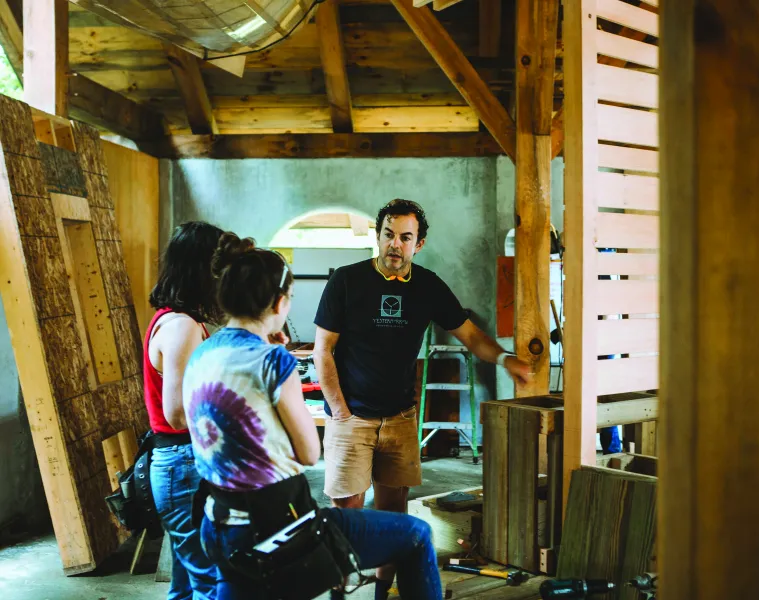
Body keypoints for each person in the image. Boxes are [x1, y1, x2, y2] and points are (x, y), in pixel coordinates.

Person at [182, 232, 442, 600]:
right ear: (279, 303)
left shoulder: (202, 352)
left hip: (216, 521)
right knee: (416, 534)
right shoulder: (273, 361)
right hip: (275, 525)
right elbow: (307, 452)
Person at [313, 199, 533, 599]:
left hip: (400, 417)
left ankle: (381, 591)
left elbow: (471, 336)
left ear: (420, 243)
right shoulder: (346, 281)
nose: (395, 244)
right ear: (377, 235)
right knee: (345, 514)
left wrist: (505, 359)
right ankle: (339, 591)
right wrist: (340, 411)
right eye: (388, 234)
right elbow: (322, 350)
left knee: (394, 517)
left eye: (405, 237)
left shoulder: (429, 286)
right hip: (352, 418)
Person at [145, 221, 224, 600]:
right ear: (203, 271)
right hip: (182, 462)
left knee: (187, 583)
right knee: (209, 580)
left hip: (181, 463)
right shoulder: (181, 327)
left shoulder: (179, 320)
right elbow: (177, 415)